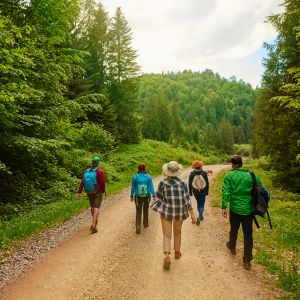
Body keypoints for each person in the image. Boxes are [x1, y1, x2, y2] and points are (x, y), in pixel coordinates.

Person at [221, 155, 265, 270]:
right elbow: (262, 189)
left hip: (235, 209)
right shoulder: (252, 175)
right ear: (241, 164)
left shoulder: (229, 176)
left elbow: (226, 192)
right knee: (248, 235)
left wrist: (224, 206)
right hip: (248, 211)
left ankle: (232, 246)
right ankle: (247, 261)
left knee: (234, 228)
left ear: (233, 164)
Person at [152, 161, 196, 270]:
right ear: (177, 172)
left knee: (167, 235)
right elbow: (187, 199)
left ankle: (167, 256)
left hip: (166, 212)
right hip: (179, 212)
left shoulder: (162, 183)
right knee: (177, 232)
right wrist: (192, 213)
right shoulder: (182, 183)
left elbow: (158, 197)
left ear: (167, 171)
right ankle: (177, 252)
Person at [77, 156, 105, 234]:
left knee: (92, 207)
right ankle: (93, 225)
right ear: (98, 163)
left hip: (89, 191)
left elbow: (82, 182)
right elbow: (102, 182)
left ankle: (94, 221)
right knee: (96, 207)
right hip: (97, 192)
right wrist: (103, 191)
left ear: (92, 163)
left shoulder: (86, 171)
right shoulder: (100, 171)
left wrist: (79, 192)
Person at [130, 163, 156, 234]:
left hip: (138, 197)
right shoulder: (148, 177)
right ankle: (145, 224)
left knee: (138, 211)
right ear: (144, 169)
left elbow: (133, 187)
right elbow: (151, 187)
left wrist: (131, 196)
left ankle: (138, 226)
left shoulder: (135, 177)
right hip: (147, 196)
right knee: (145, 210)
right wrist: (154, 195)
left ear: (138, 169)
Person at [188, 160, 209, 225]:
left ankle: (200, 215)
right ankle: (200, 215)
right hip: (203, 191)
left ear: (194, 166)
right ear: (201, 166)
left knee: (198, 202)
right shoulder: (204, 173)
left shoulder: (192, 173)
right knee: (202, 203)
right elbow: (207, 183)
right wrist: (207, 191)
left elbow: (190, 183)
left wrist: (190, 192)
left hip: (195, 191)